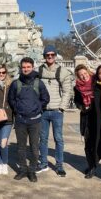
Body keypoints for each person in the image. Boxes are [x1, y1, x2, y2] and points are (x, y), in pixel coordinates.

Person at [8, 57, 49, 182]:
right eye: (24, 67)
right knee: (21, 147)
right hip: (20, 120)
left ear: (32, 67)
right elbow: (11, 99)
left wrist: (38, 109)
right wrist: (17, 109)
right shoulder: (16, 83)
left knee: (34, 147)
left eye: (28, 67)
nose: (26, 69)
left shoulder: (38, 83)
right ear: (21, 68)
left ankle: (32, 170)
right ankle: (23, 170)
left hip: (35, 120)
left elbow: (45, 98)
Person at [37, 45, 73, 177]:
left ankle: (59, 165)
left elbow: (67, 91)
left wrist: (62, 107)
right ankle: (43, 163)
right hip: (43, 111)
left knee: (58, 138)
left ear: (55, 56)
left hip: (57, 110)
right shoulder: (38, 71)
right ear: (44, 56)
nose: (50, 57)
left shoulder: (62, 71)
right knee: (43, 139)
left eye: (52, 55)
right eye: (48, 55)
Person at [73, 64, 97, 179]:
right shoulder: (77, 87)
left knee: (98, 143)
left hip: (97, 117)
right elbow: (77, 101)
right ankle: (91, 166)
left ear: (88, 72)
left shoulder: (96, 83)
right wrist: (82, 107)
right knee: (88, 145)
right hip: (86, 117)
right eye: (80, 75)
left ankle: (95, 164)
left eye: (84, 73)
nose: (83, 76)